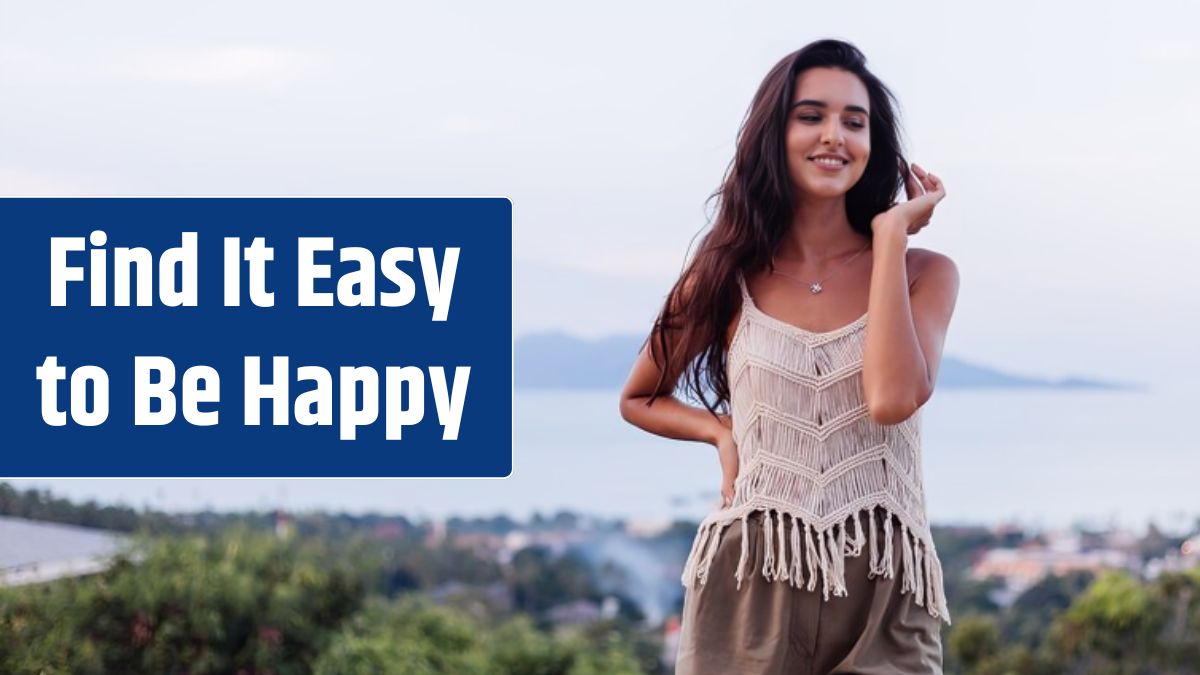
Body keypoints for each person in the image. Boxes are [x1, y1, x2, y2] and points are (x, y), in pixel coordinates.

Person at [618, 39, 960, 674]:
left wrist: (889, 238)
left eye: (854, 122)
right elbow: (638, 397)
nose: (834, 135)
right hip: (752, 576)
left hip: (885, 585)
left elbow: (889, 399)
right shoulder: (726, 273)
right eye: (811, 116)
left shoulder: (924, 274)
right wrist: (718, 431)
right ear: (774, 134)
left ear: (873, 144)